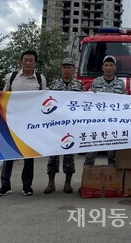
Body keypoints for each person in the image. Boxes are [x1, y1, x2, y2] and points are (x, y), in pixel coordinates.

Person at [0, 50, 46, 196]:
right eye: (26, 60)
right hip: (13, 121)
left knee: (28, 154)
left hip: (31, 123)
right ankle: (5, 185)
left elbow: (44, 100)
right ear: (21, 61)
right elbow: (3, 96)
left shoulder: (40, 79)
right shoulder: (12, 77)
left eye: (31, 60)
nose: (28, 62)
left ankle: (27, 186)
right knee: (9, 153)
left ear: (35, 63)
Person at [43, 57, 85, 195]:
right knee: (53, 154)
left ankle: (68, 183)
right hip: (56, 125)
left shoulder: (79, 86)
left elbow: (85, 103)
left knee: (69, 155)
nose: (66, 70)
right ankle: (51, 182)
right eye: (64, 67)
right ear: (62, 69)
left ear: (73, 70)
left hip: (72, 126)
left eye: (69, 67)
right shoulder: (54, 85)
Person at [84, 55, 126, 166]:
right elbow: (88, 102)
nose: (108, 68)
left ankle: (113, 181)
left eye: (111, 65)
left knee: (112, 156)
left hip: (113, 124)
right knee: (90, 154)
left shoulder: (120, 84)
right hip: (97, 123)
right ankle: (86, 179)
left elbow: (125, 103)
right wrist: (90, 94)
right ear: (102, 67)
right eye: (106, 65)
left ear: (115, 68)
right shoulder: (95, 82)